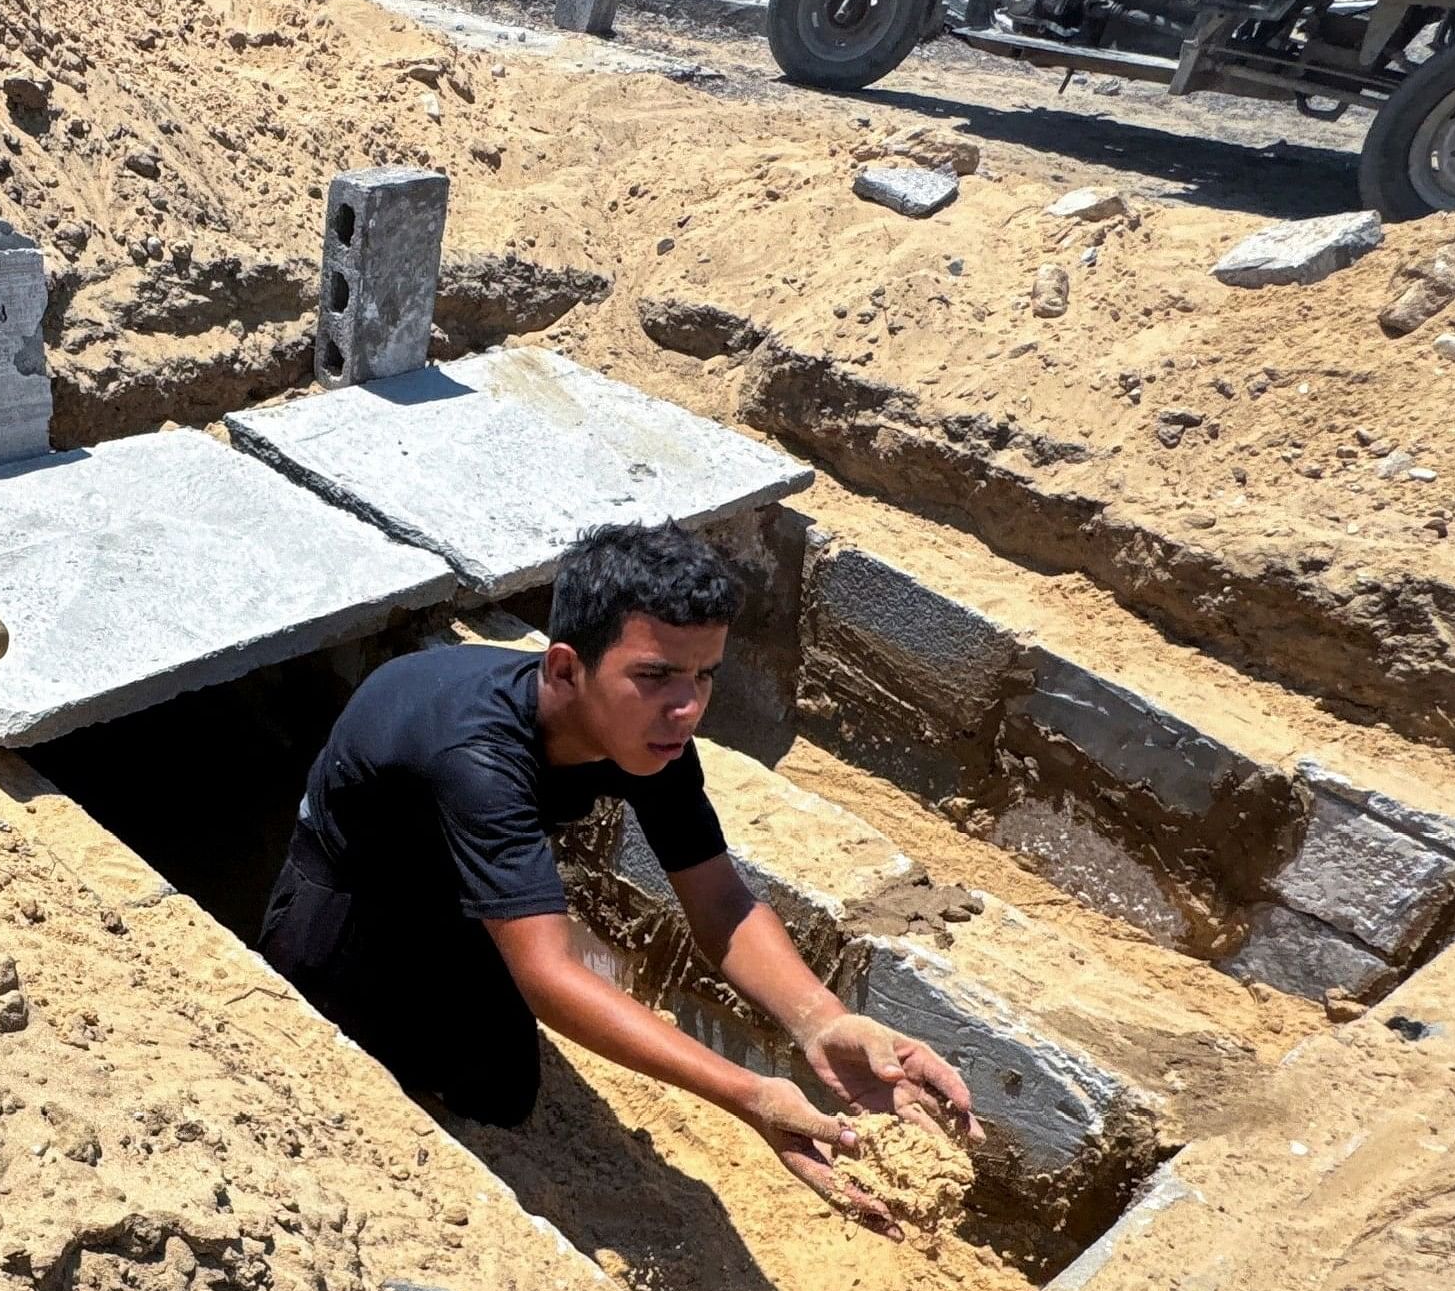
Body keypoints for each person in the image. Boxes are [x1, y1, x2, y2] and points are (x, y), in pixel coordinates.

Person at [258, 521, 980, 1237]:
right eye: (656, 675)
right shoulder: (477, 754)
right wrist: (747, 1092)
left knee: (501, 1096)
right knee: (349, 1100)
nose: (688, 707)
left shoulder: (651, 740)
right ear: (567, 669)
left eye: (703, 675)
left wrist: (823, 1021)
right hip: (353, 899)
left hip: (464, 896)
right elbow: (548, 975)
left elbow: (720, 901)